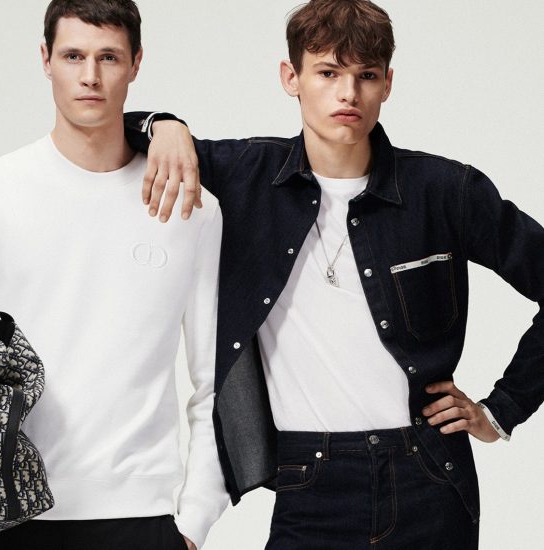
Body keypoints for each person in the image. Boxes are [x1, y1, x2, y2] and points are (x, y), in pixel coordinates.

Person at [125, 0, 544, 547]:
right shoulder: (248, 177)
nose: (348, 94)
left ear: (387, 83)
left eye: (366, 75)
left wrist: (501, 410)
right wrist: (165, 125)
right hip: (309, 481)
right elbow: (117, 130)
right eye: (327, 73)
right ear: (291, 78)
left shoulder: (445, 190)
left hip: (427, 476)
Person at [0, 1, 227, 549]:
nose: (90, 76)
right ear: (45, 59)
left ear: (136, 63)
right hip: (3, 516)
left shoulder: (192, 208)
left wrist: (196, 521)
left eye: (108, 57)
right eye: (73, 56)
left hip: (141, 518)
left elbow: (214, 380)